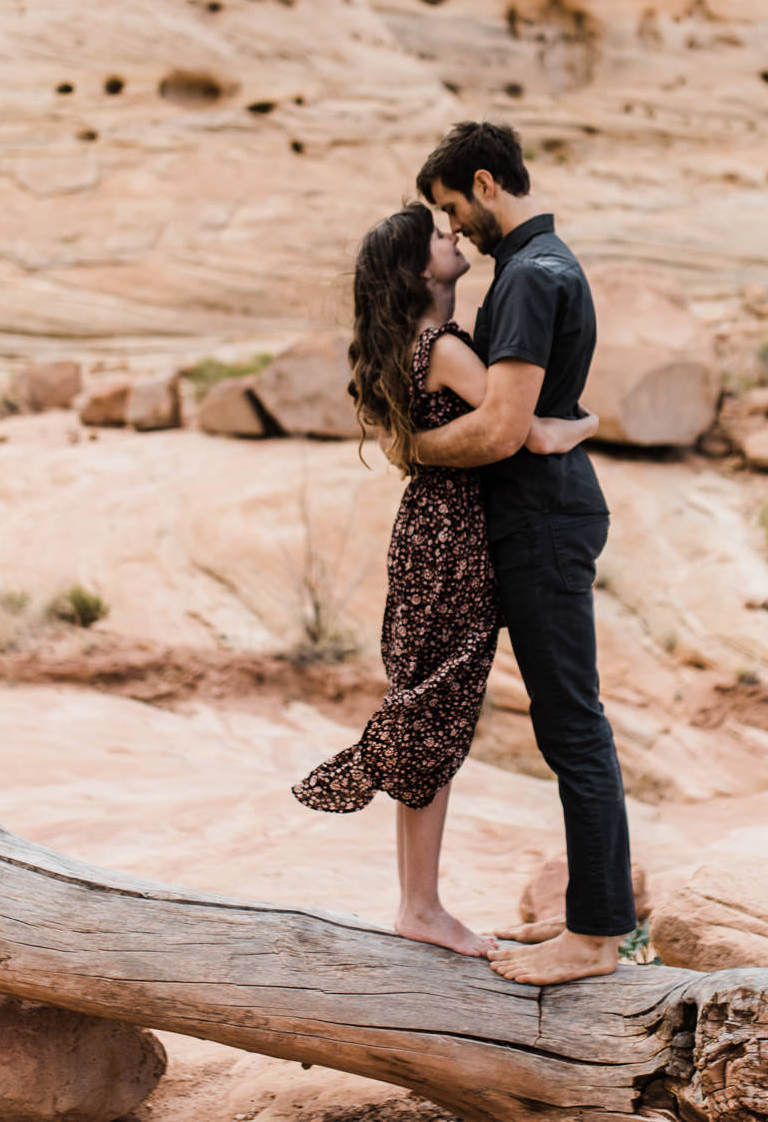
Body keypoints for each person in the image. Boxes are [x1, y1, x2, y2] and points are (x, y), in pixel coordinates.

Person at [292, 202, 597, 961]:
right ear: (419, 269)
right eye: (438, 235)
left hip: (427, 532)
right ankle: (421, 904)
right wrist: (579, 425)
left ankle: (416, 900)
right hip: (458, 537)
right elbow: (519, 427)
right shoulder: (442, 344)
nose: (452, 236)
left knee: (427, 702)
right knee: (437, 710)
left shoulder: (406, 344)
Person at [411, 121, 636, 987]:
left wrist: (413, 449)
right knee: (566, 723)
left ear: (484, 181)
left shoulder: (534, 277)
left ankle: (596, 935)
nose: (453, 227)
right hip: (539, 515)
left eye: (451, 208)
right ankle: (589, 923)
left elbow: (503, 427)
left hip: (543, 521)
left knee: (574, 724)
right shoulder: (530, 271)